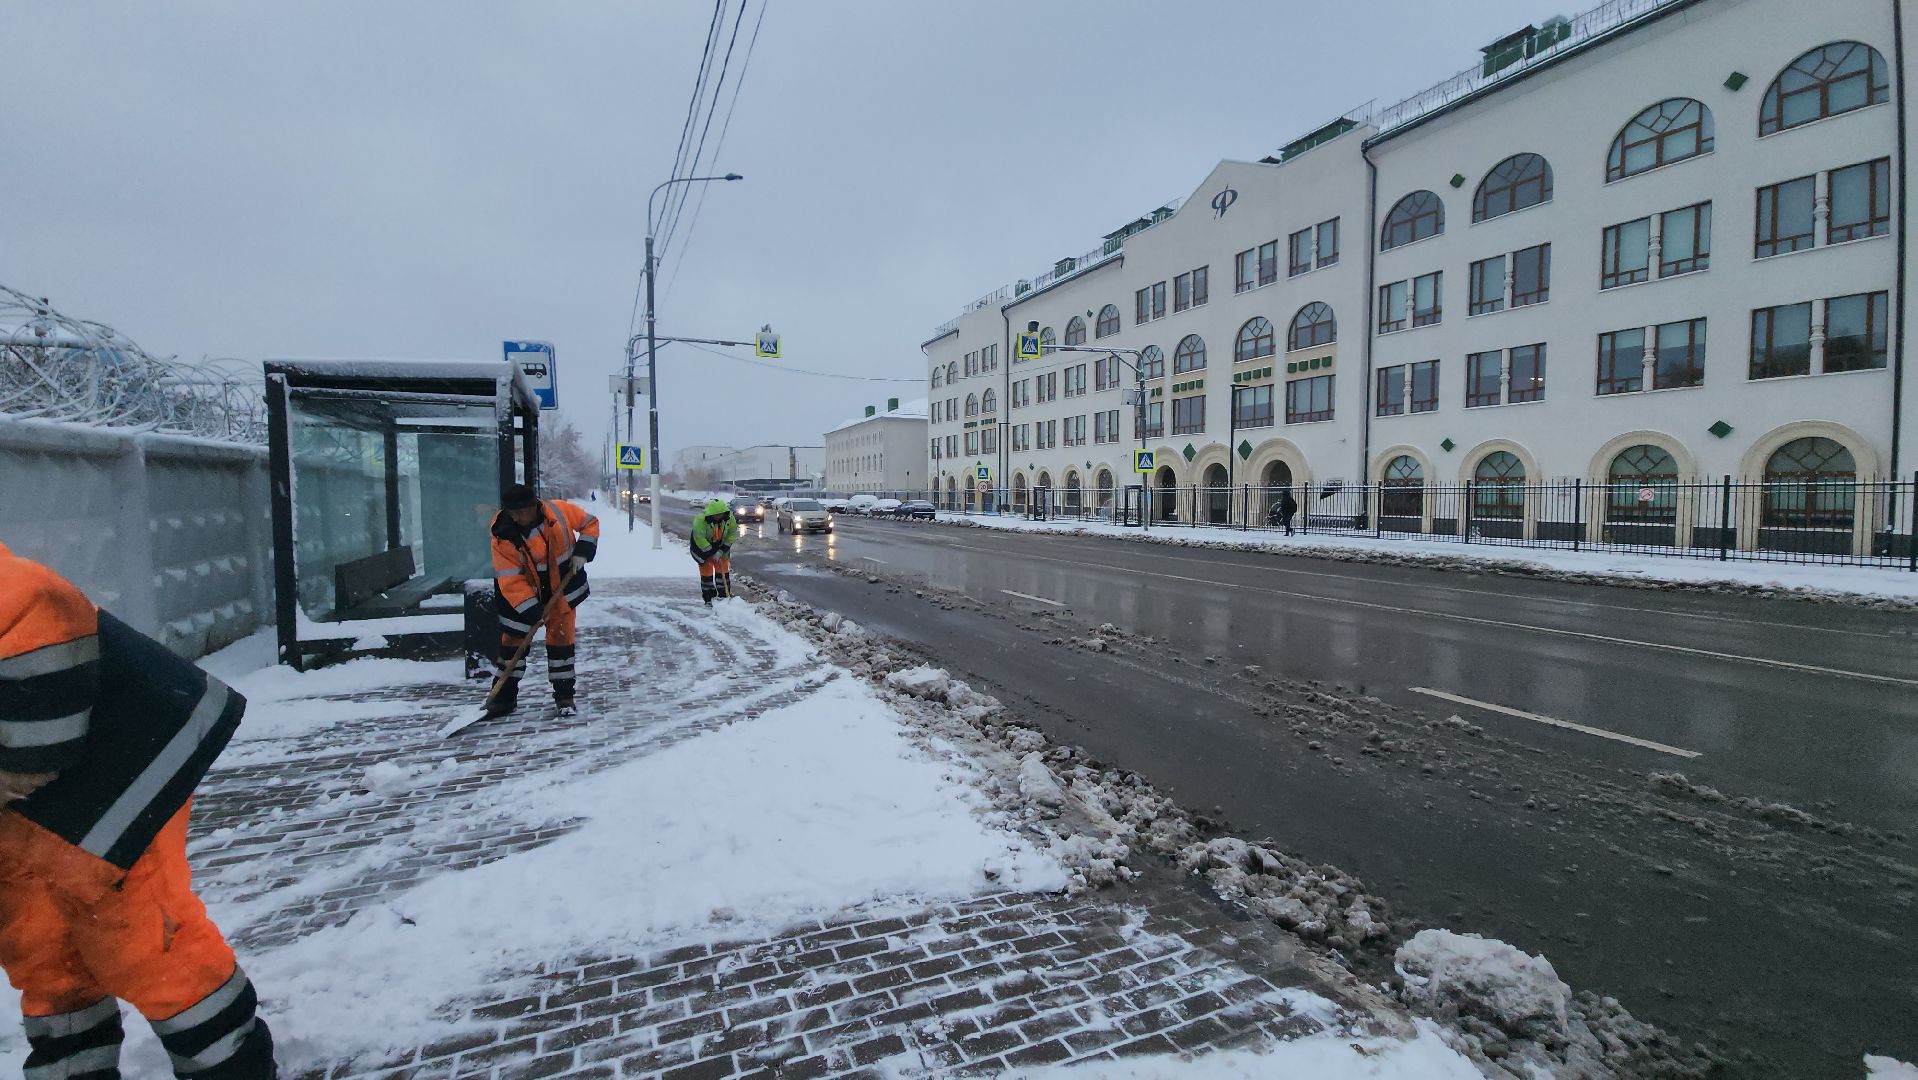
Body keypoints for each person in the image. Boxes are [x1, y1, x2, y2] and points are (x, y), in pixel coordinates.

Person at [0, 541, 277, 1080]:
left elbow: (44, 628)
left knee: (143, 938)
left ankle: (231, 1064)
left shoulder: (15, 593)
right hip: (26, 813)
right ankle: (73, 1067)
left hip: (115, 773)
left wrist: (15, 767)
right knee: (40, 944)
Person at [488, 484, 600, 718]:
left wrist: (583, 550)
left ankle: (564, 697)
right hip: (521, 597)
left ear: (534, 507)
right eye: (512, 513)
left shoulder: (559, 511)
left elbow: (590, 523)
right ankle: (502, 699)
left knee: (561, 644)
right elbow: (511, 580)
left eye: (521, 512)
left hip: (561, 590)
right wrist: (531, 611)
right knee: (513, 645)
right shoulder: (502, 535)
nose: (517, 518)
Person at [689, 498, 740, 605]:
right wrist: (711, 552)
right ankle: (708, 599)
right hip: (703, 550)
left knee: (723, 573)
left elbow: (731, 535)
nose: (719, 517)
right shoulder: (700, 520)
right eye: (716, 515)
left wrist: (721, 551)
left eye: (721, 514)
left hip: (721, 549)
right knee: (706, 575)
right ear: (711, 514)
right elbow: (699, 539)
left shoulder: (730, 518)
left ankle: (724, 596)